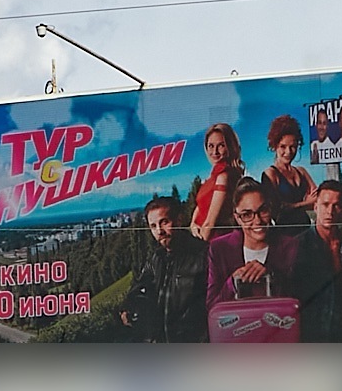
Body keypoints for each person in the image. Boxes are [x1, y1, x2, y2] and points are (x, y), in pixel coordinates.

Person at [120, 195, 208, 342]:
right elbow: (139, 287)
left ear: (179, 220)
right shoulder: (156, 258)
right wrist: (128, 307)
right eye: (153, 226)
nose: (159, 231)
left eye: (164, 222)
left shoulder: (203, 255)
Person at [290, 180, 342, 342]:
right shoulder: (298, 245)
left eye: (337, 205)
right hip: (312, 332)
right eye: (325, 204)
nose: (330, 211)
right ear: (315, 207)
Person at [205, 181, 300, 309]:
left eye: (263, 211)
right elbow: (212, 307)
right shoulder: (219, 248)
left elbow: (300, 301)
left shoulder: (290, 246)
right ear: (237, 218)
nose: (257, 221)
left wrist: (273, 277)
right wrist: (232, 282)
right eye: (247, 215)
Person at [188, 123, 244, 242]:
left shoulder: (224, 176)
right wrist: (193, 224)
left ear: (230, 146)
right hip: (203, 234)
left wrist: (200, 244)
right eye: (211, 146)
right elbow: (200, 206)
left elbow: (211, 222)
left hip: (215, 240)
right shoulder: (214, 176)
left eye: (221, 146)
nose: (215, 152)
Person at [257, 115, 316, 227]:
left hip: (306, 229)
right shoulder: (270, 174)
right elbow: (275, 209)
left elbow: (318, 199)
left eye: (292, 146)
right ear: (274, 146)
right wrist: (306, 203)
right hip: (284, 234)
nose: (288, 152)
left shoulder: (301, 171)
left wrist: (292, 206)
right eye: (283, 147)